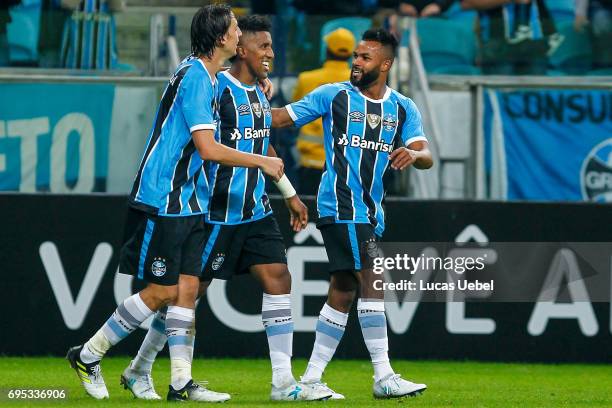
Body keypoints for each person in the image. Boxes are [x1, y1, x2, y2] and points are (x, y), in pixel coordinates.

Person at [66, 4, 284, 402]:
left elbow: (230, 101)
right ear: (222, 38)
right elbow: (207, 147)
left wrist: (259, 89)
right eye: (236, 30)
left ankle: (181, 382)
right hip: (164, 197)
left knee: (186, 290)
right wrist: (262, 160)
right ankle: (88, 353)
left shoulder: (209, 74)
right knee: (162, 292)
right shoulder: (197, 79)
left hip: (191, 202)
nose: (240, 35)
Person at [118, 15, 332, 402]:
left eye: (270, 45)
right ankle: (140, 366)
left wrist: (289, 193)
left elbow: (259, 145)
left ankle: (283, 383)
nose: (271, 53)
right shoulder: (217, 87)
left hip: (255, 208)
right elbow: (208, 146)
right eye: (263, 46)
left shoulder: (259, 93)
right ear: (241, 49)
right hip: (216, 210)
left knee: (278, 278)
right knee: (184, 295)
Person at [271, 28, 433, 399]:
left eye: (365, 57)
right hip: (341, 206)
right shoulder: (334, 96)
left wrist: (415, 155)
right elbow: (283, 118)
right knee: (373, 277)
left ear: (386, 64)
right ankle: (383, 375)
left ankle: (311, 379)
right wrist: (248, 101)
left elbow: (426, 155)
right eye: (355, 56)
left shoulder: (403, 107)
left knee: (343, 289)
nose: (355, 63)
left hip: (371, 211)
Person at [292, 27, 355, 195]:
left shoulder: (306, 79)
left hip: (310, 163)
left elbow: (293, 115)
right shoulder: (359, 82)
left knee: (310, 215)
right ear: (350, 54)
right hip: (346, 165)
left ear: (327, 50)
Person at [462, 0, 559, 75]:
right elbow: (467, 3)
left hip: (535, 43)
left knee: (533, 96)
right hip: (497, 45)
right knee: (500, 97)